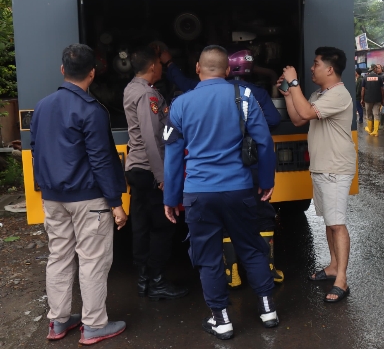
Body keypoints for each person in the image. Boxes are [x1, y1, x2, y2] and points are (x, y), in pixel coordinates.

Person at [163, 45, 278, 340]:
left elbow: (173, 157)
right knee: (251, 247)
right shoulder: (245, 97)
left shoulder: (180, 104)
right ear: (227, 71)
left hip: (199, 193)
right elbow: (264, 142)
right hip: (239, 188)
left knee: (208, 255)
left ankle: (222, 319)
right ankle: (268, 309)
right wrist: (266, 181)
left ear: (198, 69)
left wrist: (171, 198)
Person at [31, 44, 127, 344]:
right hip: (88, 200)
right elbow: (100, 159)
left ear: (63, 71)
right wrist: (115, 203)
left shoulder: (42, 105)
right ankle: (95, 324)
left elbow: (36, 150)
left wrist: (44, 187)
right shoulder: (91, 110)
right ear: (93, 73)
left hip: (53, 197)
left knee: (59, 257)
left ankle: (58, 322)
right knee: (92, 261)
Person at [279, 47, 357, 303]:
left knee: (337, 224)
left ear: (330, 69)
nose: (312, 68)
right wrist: (290, 94)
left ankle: (342, 279)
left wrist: (293, 82)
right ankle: (334, 266)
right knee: (328, 221)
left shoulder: (339, 94)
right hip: (322, 167)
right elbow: (299, 119)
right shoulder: (318, 94)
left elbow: (306, 113)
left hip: (335, 168)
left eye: (315, 64)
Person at [124, 46, 188, 301]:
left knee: (140, 226)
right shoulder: (147, 95)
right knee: (162, 227)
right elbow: (153, 138)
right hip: (149, 171)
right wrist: (163, 178)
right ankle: (158, 281)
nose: (161, 68)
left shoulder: (131, 88)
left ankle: (144, 280)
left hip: (136, 168)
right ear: (153, 67)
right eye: (160, 64)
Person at [361, 64, 383, 136]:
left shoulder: (365, 78)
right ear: (374, 69)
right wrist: (383, 98)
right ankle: (375, 131)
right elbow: (382, 89)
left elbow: (363, 90)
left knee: (369, 114)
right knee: (376, 114)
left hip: (368, 99)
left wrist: (362, 99)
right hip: (377, 99)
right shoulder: (379, 78)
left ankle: (370, 129)